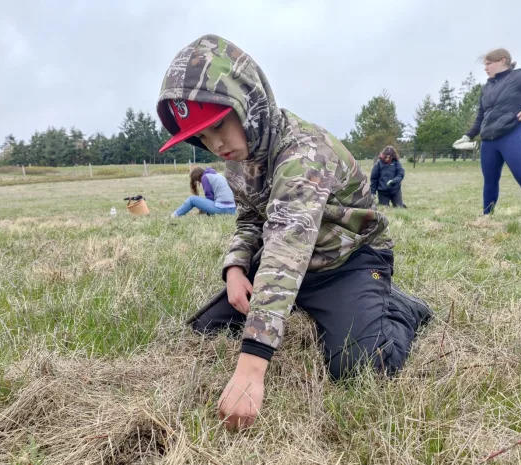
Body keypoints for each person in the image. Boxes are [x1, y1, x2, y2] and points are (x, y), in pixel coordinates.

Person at [156, 35, 432, 430]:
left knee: (362, 368)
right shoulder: (240, 157)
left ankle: (400, 307)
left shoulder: (304, 154)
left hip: (347, 261)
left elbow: (287, 248)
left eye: (218, 126)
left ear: (248, 103)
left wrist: (252, 368)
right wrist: (235, 268)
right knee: (207, 329)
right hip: (287, 263)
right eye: (202, 137)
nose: (215, 144)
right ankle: (298, 303)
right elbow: (250, 219)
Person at [453, 49, 521, 214]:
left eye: (488, 63)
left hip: (513, 133)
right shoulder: (487, 87)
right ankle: (487, 216)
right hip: (489, 139)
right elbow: (481, 116)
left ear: (502, 60)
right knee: (490, 180)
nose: (485, 68)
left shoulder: (520, 76)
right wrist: (468, 135)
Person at [171, 166, 236, 217]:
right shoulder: (217, 175)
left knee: (192, 199)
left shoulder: (205, 177)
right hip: (233, 209)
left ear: (198, 177)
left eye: (197, 181)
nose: (199, 182)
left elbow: (210, 197)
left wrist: (205, 210)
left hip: (222, 208)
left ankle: (175, 215)